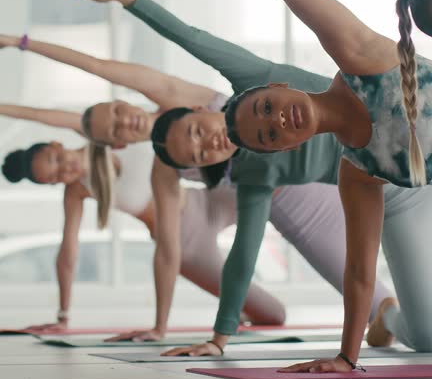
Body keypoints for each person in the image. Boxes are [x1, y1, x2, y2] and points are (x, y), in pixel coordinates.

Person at [128, 0, 432, 370]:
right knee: (428, 333)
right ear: (276, 148)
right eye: (270, 133)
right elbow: (359, 270)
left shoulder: (361, 56)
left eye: (267, 107)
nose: (278, 120)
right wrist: (346, 356)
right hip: (409, 193)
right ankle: (394, 322)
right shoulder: (356, 173)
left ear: (280, 86)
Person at [60, 0, 391, 351]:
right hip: (335, 196)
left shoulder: (253, 80)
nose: (208, 144)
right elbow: (240, 255)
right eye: (199, 155)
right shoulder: (244, 175)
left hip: (377, 163)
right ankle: (395, 316)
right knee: (374, 304)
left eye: (198, 132)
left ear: (200, 110)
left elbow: (190, 37)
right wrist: (218, 338)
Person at [0, 98, 285, 335]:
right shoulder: (77, 191)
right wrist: (63, 314)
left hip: (207, 203)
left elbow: (41, 114)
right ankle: (234, 319)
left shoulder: (108, 136)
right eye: (56, 177)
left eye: (56, 160)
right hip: (184, 246)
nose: (65, 170)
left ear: (56, 145)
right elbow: (67, 254)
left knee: (282, 179)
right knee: (272, 315)